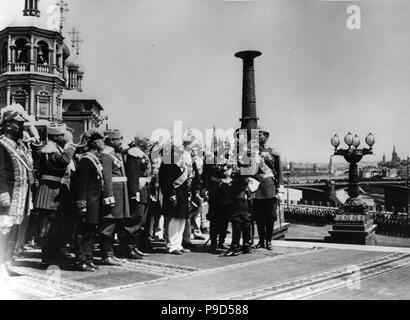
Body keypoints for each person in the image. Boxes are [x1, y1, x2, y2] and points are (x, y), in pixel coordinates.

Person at [0, 104, 35, 279]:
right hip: (8, 197)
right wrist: (3, 192)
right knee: (3, 230)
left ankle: (7, 262)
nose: (21, 126)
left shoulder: (18, 146)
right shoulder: (2, 144)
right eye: (17, 123)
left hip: (19, 197)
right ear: (7, 124)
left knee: (13, 229)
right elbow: (0, 172)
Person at [34, 122, 77, 266]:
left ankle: (54, 254)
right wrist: (70, 146)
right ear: (55, 136)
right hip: (50, 189)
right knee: (49, 224)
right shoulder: (50, 149)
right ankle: (48, 256)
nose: (63, 137)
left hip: (55, 188)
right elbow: (63, 162)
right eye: (61, 135)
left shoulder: (55, 148)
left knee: (55, 224)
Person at [73, 128, 105, 272]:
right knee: (83, 231)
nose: (103, 143)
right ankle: (80, 260)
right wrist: (81, 204)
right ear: (95, 143)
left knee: (91, 232)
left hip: (95, 203)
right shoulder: (86, 160)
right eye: (101, 141)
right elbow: (82, 185)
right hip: (87, 202)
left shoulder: (94, 160)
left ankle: (88, 257)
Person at [99, 129, 130, 265]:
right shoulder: (106, 155)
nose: (121, 141)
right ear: (111, 140)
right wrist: (108, 196)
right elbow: (106, 178)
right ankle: (106, 255)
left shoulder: (115, 154)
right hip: (113, 195)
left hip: (120, 195)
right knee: (108, 226)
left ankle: (111, 253)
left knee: (114, 225)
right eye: (119, 139)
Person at [252, 129, 283, 250]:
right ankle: (261, 240)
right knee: (259, 218)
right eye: (258, 137)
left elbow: (279, 172)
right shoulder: (251, 153)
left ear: (265, 139)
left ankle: (268, 241)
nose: (260, 139)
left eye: (262, 137)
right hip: (257, 188)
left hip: (270, 188)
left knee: (270, 217)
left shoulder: (273, 153)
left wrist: (280, 190)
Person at [122, 134, 152, 259]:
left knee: (141, 220)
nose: (148, 141)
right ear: (140, 142)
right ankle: (128, 247)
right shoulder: (134, 153)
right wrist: (134, 193)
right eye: (146, 139)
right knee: (135, 218)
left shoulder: (141, 153)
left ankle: (134, 246)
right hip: (138, 189)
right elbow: (133, 175)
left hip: (144, 187)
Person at [159, 143, 191, 255]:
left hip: (182, 195)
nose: (179, 153)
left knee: (181, 219)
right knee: (173, 220)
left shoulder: (181, 164)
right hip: (173, 194)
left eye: (180, 151)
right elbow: (166, 181)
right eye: (177, 151)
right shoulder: (167, 163)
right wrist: (171, 194)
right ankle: (171, 245)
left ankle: (178, 244)